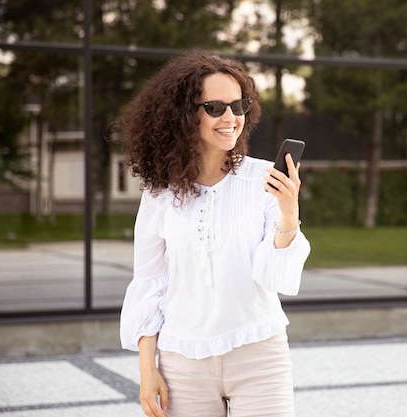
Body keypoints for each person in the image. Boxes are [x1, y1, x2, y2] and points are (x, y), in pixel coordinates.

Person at [115, 50, 311, 417]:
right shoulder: (159, 194)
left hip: (258, 355)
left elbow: (276, 278)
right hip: (181, 363)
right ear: (185, 114)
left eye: (239, 106)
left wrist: (289, 213)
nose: (230, 118)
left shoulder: (263, 179)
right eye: (216, 107)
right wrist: (147, 368)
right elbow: (150, 283)